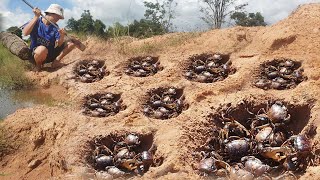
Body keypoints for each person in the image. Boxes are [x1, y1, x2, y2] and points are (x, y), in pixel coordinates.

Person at [22, 4, 75, 71]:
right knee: (42, 49)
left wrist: (61, 36)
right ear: (50, 13)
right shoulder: (36, 21)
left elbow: (59, 44)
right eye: (57, 17)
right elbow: (25, 33)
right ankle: (38, 66)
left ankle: (56, 62)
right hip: (37, 54)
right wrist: (36, 17)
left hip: (50, 54)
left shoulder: (55, 27)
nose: (58, 19)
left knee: (72, 43)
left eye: (59, 18)